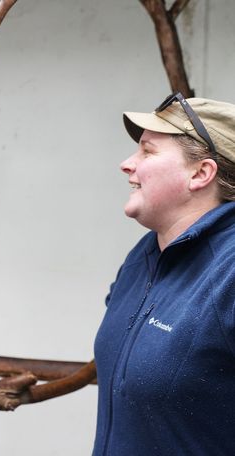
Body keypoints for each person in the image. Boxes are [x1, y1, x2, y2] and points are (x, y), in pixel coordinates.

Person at [93, 93, 235, 455]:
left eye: (148, 151)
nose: (127, 164)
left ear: (200, 173)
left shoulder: (229, 272)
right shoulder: (144, 255)